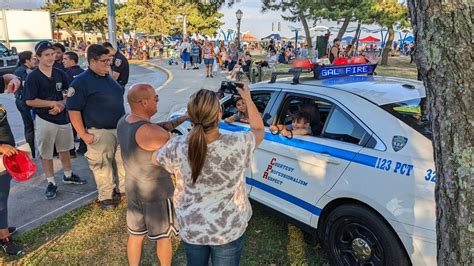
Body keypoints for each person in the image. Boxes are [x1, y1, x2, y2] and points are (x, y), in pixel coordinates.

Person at [154, 85, 264, 266]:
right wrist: (248, 99)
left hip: (191, 226)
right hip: (227, 228)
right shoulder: (238, 143)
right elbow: (259, 130)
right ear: (219, 115)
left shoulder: (177, 145)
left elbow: (154, 159)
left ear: (191, 115)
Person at [117, 84, 187, 266]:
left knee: (135, 235)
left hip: (134, 190)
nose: (158, 101)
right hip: (157, 194)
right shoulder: (153, 133)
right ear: (144, 102)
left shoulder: (125, 121)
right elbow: (181, 150)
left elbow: (158, 127)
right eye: (156, 98)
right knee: (164, 238)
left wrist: (185, 117)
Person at [24, 41, 87, 200]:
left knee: (65, 148)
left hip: (62, 117)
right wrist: (53, 103)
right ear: (38, 57)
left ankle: (68, 174)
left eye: (53, 54)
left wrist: (62, 105)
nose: (51, 57)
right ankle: (51, 182)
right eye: (47, 55)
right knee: (46, 152)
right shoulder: (33, 77)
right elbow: (29, 101)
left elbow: (67, 94)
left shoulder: (60, 73)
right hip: (44, 118)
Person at [66, 44, 126, 210]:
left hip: (118, 130)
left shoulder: (108, 77)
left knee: (121, 164)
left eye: (109, 61)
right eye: (104, 61)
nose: (108, 64)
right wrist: (83, 134)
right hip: (99, 132)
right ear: (92, 61)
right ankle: (107, 198)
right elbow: (73, 111)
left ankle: (123, 191)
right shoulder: (80, 82)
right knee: (102, 167)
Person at [0, 74, 23, 255]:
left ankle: (3, 227)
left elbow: (8, 77)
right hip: (2, 152)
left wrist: (15, 80)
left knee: (3, 196)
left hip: (5, 156)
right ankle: (4, 239)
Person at [62, 51, 87, 156]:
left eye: (65, 59)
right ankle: (83, 147)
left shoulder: (66, 75)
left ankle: (71, 150)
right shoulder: (84, 72)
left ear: (72, 60)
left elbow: (65, 91)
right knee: (83, 125)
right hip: (84, 104)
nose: (63, 61)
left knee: (71, 128)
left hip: (72, 105)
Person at [13, 51, 36, 158]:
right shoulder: (25, 71)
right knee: (31, 127)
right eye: (33, 58)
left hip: (19, 101)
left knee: (28, 127)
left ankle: (32, 152)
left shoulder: (18, 70)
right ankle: (33, 152)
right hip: (26, 103)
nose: (35, 60)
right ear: (27, 60)